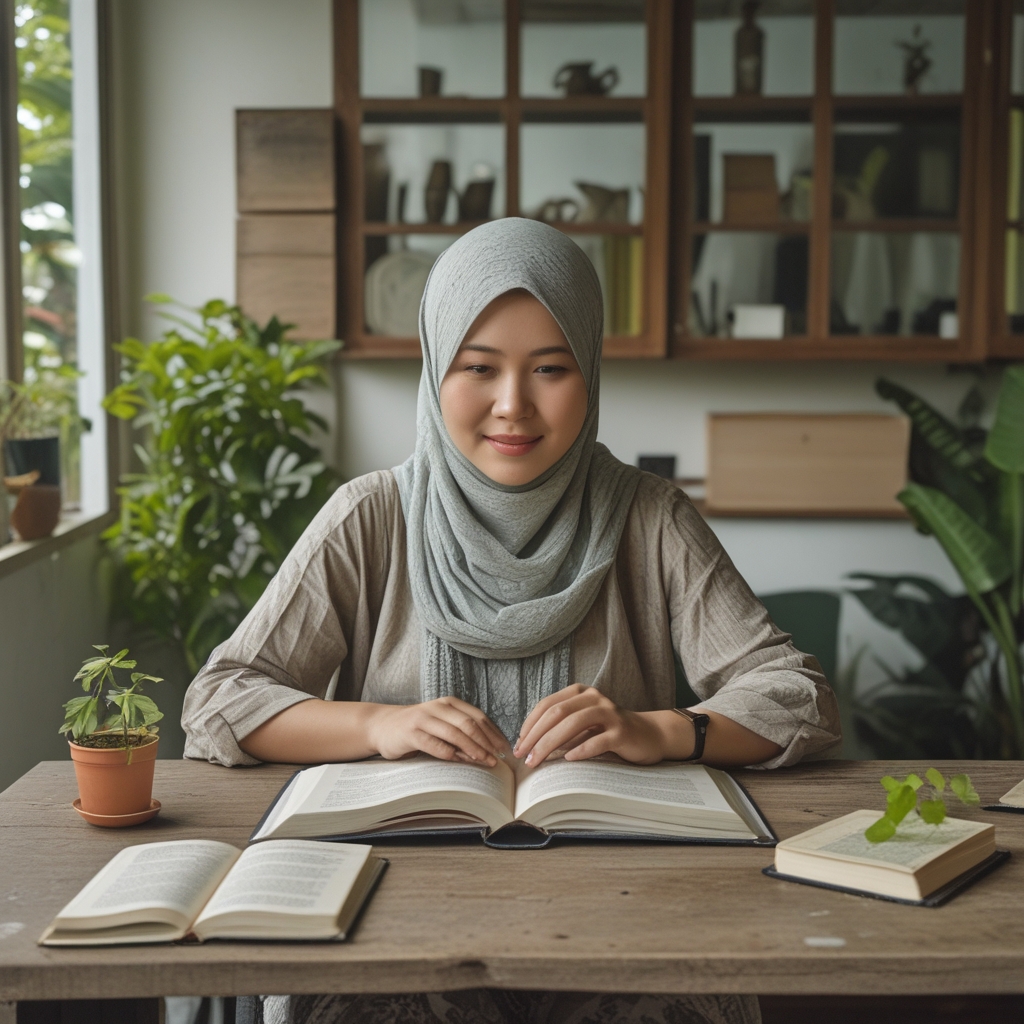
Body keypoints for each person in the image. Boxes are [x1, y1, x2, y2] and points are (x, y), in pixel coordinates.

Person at [183, 218, 841, 1024]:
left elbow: (796, 696)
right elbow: (221, 698)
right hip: (394, 924)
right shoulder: (371, 516)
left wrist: (663, 732)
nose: (512, 406)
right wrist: (378, 725)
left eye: (551, 369)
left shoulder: (649, 517)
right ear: (434, 369)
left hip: (622, 919)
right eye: (479, 368)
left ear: (591, 371)